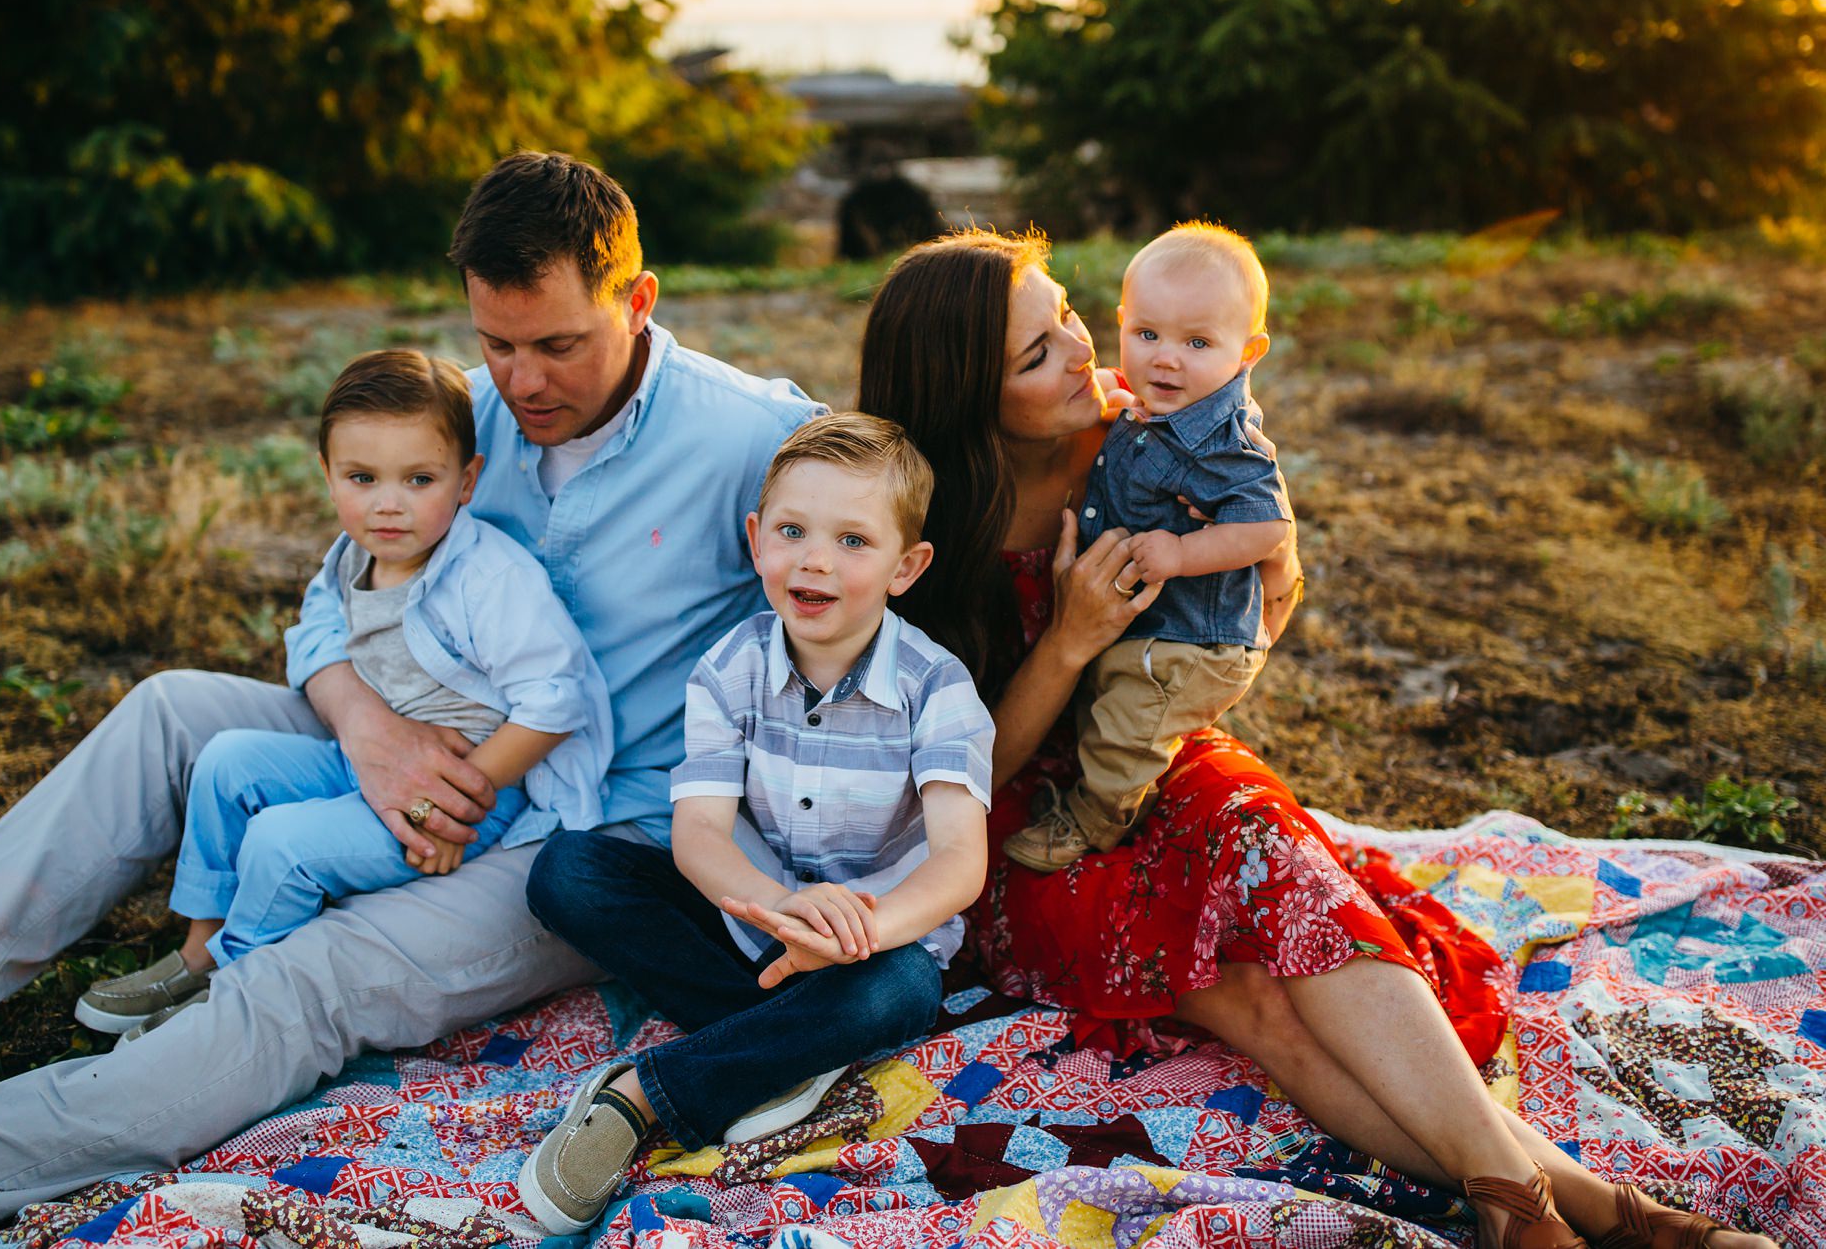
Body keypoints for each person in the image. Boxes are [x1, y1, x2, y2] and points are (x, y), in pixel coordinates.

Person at [0, 152, 821, 1249]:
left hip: (585, 831)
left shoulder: (752, 437)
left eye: (558, 344)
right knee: (174, 707)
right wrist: (365, 729)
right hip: (409, 738)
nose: (522, 383)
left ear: (637, 299)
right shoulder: (460, 422)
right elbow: (328, 608)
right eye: (495, 345)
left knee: (312, 977)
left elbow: (881, 554)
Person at [856, 230, 1768, 1249]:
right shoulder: (922, 522)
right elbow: (966, 782)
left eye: (1067, 312)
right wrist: (1067, 642)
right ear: (966, 394)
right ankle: (1604, 1216)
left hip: (1158, 747)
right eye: (1034, 355)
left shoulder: (1145, 430)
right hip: (1028, 823)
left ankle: (1541, 1212)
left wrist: (1269, 582)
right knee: (1250, 999)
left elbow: (1262, 564)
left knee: (1290, 890)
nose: (1080, 352)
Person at [515, 413, 993, 1235]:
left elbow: (958, 862)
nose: (813, 558)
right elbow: (699, 833)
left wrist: (859, 930)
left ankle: (642, 1097)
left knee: (907, 988)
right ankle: (789, 1052)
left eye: (852, 541)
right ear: (755, 537)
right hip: (756, 915)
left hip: (870, 946)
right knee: (567, 871)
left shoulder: (934, 686)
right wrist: (776, 907)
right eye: (792, 530)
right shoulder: (729, 668)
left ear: (906, 567)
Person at [74, 349, 613, 1039]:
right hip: (373, 760)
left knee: (280, 842)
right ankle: (199, 951)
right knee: (226, 761)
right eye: (362, 478)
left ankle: (229, 996)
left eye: (419, 478)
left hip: (474, 789)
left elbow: (557, 698)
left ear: (467, 480)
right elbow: (317, 630)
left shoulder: (489, 578)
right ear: (328, 475)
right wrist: (369, 737)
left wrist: (454, 802)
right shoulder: (354, 555)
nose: (388, 503)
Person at [1004, 223, 1290, 872]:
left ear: (1247, 353)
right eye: (1148, 334)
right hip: (1151, 640)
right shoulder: (1146, 407)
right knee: (1116, 710)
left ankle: (1096, 817)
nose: (1165, 358)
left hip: (1189, 639)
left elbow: (1271, 528)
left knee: (1126, 730)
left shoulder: (1219, 437)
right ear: (1125, 321)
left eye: (1197, 342)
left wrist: (1183, 554)